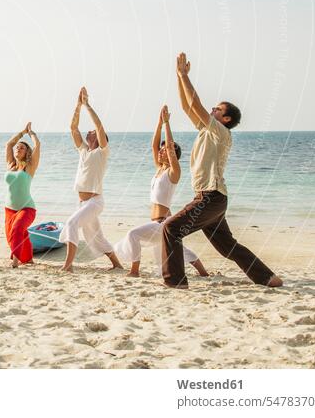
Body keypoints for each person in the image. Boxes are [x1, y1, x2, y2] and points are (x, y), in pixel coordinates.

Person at [162, 53, 282, 288]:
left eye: (217, 109)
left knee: (171, 229)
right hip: (212, 199)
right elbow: (188, 106)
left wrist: (186, 76)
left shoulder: (221, 133)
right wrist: (178, 76)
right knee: (228, 246)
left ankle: (175, 281)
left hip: (210, 197)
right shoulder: (207, 131)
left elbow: (195, 104)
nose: (212, 110)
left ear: (225, 119)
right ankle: (268, 278)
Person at [114, 106, 209, 278]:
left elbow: (170, 148)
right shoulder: (159, 169)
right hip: (159, 222)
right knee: (177, 249)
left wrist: (167, 124)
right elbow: (153, 145)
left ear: (172, 155)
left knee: (133, 234)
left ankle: (134, 271)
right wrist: (159, 122)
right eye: (161, 150)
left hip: (163, 222)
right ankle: (204, 273)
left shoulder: (173, 173)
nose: (160, 152)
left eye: (164, 150)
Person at [60, 87, 123, 272]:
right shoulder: (83, 150)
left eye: (92, 131)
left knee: (71, 224)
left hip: (94, 202)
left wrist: (88, 105)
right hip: (82, 203)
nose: (90, 132)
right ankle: (117, 265)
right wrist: (78, 105)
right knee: (96, 237)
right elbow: (73, 127)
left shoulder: (102, 152)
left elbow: (100, 127)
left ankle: (68, 265)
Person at [4, 122, 40, 267]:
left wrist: (31, 133)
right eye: (17, 147)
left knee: (18, 228)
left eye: (22, 147)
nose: (18, 148)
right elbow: (8, 145)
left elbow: (38, 145)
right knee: (19, 236)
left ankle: (15, 262)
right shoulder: (11, 165)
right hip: (9, 209)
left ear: (27, 152)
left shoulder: (30, 167)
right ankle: (28, 258)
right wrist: (22, 132)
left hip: (27, 208)